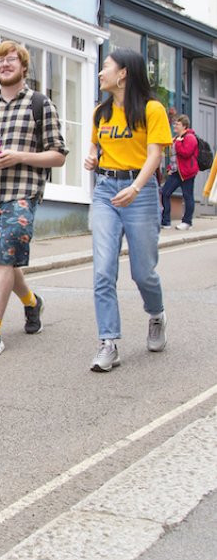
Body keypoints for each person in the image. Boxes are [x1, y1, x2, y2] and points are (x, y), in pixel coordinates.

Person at [0, 41, 67, 358]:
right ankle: (32, 303)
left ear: (23, 67)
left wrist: (18, 156)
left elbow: (59, 155)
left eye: (11, 60)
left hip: (21, 195)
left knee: (3, 260)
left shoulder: (40, 104)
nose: (5, 65)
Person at [84, 48, 172, 372]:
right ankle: (108, 343)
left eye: (105, 67)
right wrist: (92, 156)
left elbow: (155, 155)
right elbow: (95, 144)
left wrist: (135, 188)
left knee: (143, 272)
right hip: (106, 189)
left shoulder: (152, 109)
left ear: (123, 74)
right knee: (103, 270)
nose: (100, 73)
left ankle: (157, 315)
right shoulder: (100, 113)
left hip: (141, 193)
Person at [160, 114, 198, 230]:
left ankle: (187, 222)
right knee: (165, 193)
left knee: (188, 196)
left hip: (187, 173)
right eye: (175, 123)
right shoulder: (177, 138)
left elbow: (186, 153)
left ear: (184, 126)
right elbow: (173, 157)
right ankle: (166, 221)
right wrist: (169, 169)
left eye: (178, 124)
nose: (175, 126)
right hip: (176, 172)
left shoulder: (190, 138)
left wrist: (178, 143)